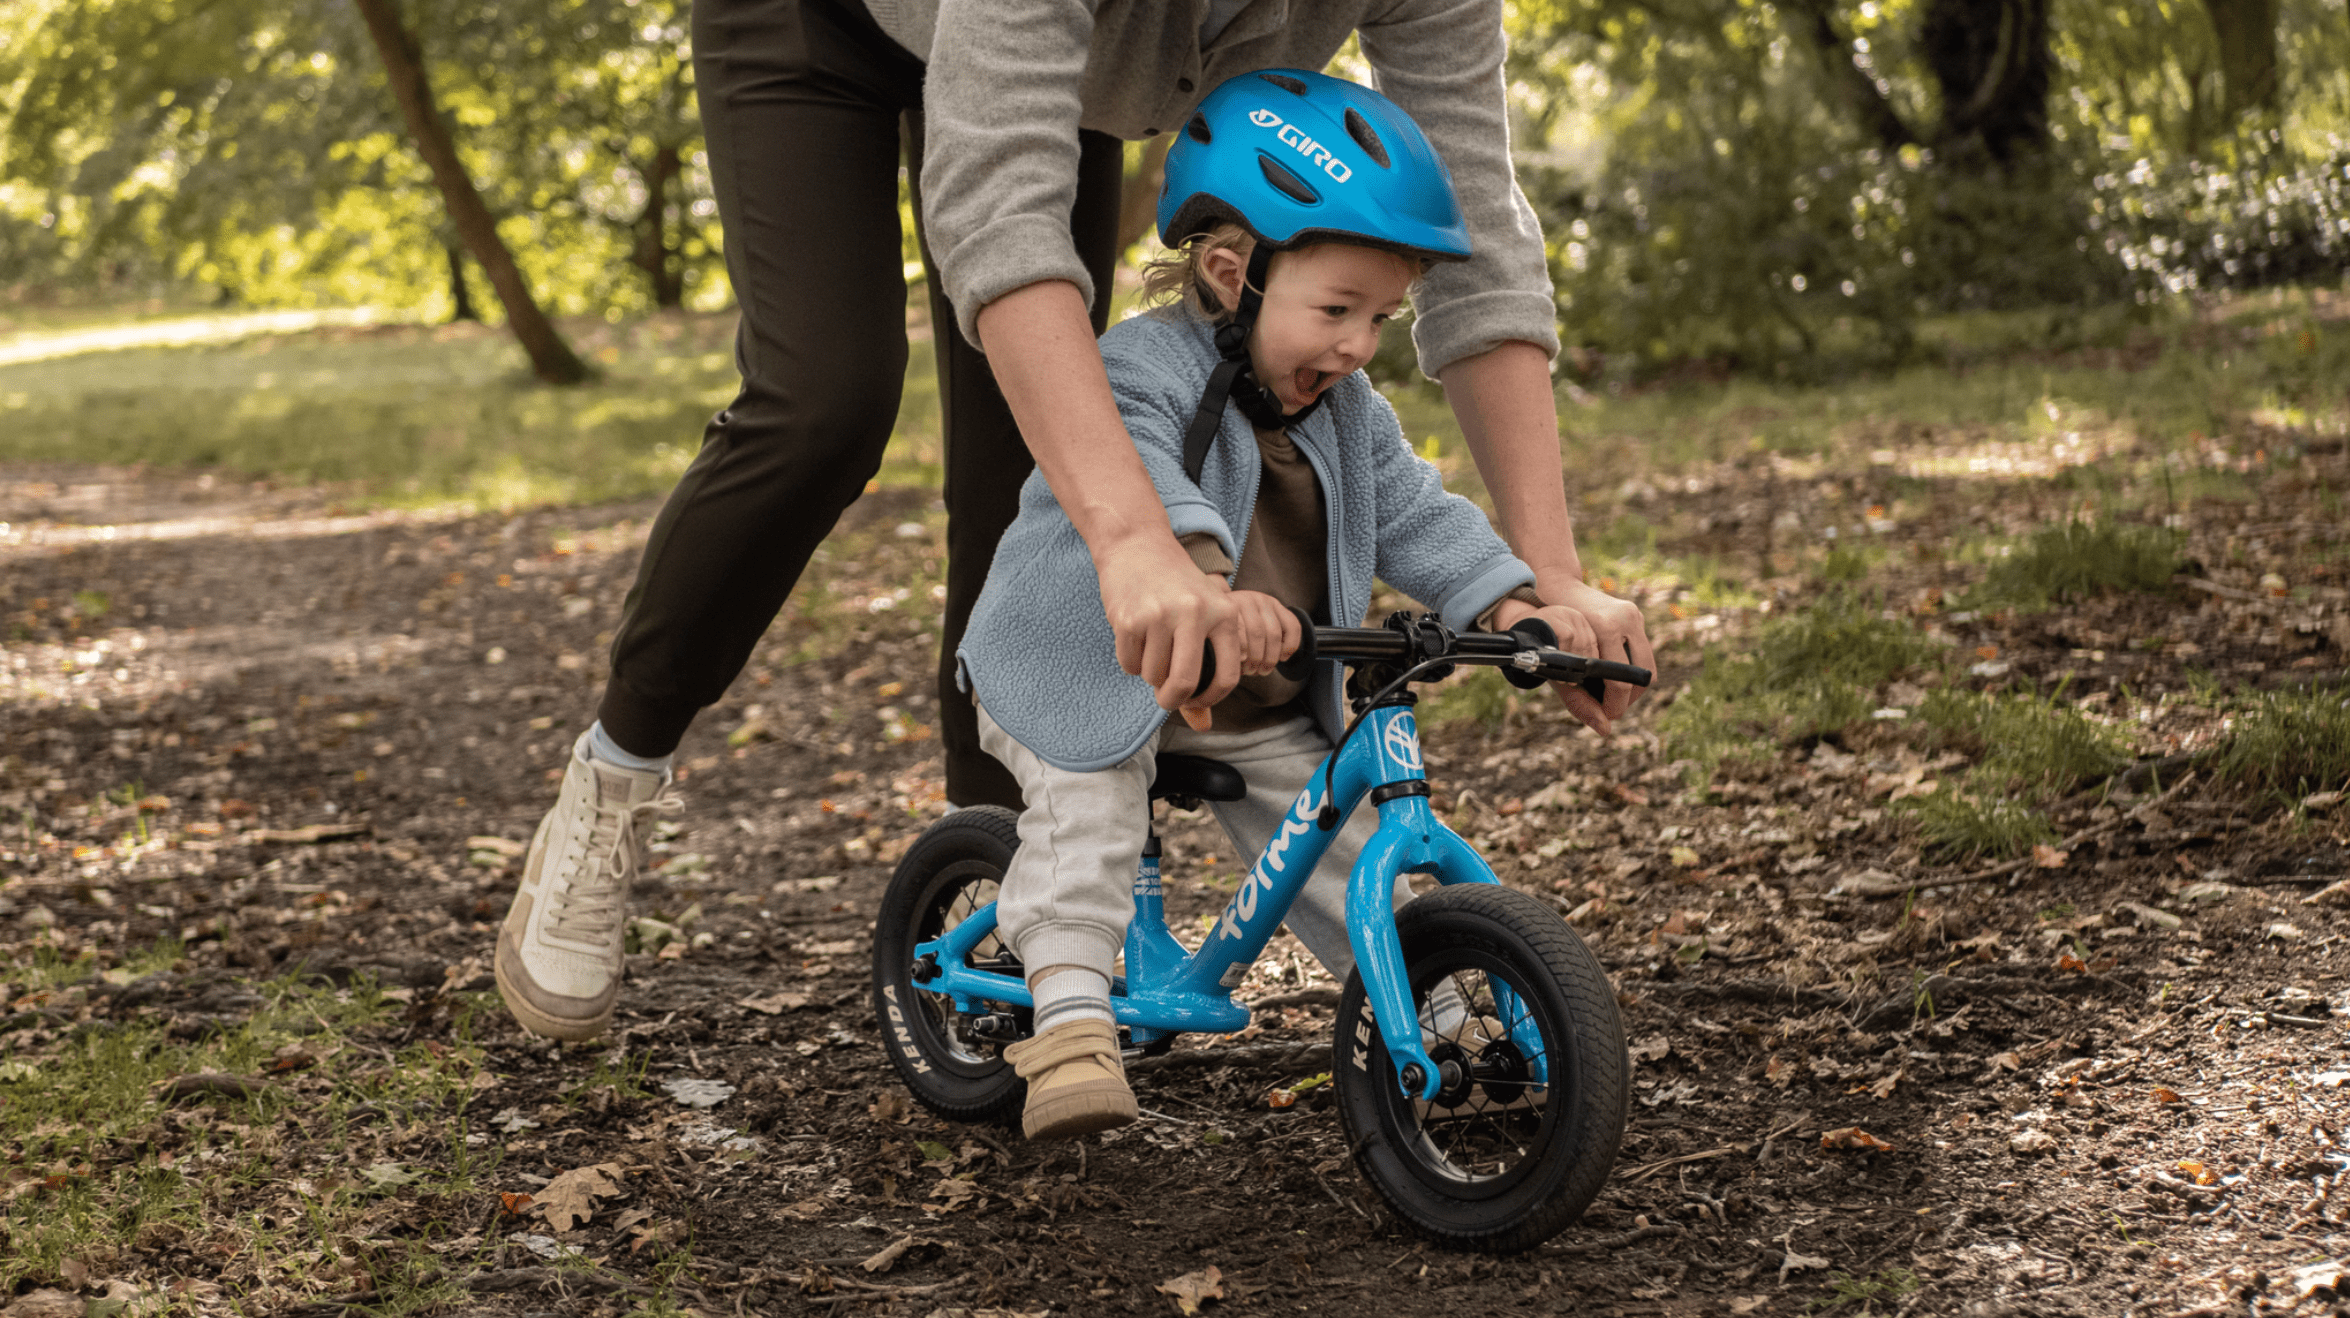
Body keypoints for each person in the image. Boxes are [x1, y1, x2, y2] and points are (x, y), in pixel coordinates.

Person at [494, 0, 1655, 1044]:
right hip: (819, 27)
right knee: (826, 406)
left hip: (1072, 61)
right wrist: (1142, 541)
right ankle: (614, 775)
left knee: (1035, 453)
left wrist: (1546, 574)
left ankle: (1007, 869)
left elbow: (1474, 231)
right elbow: (996, 208)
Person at [960, 69, 1615, 1141]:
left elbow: (1417, 512)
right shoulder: (1139, 365)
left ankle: (1436, 1003)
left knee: (1339, 830)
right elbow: (1140, 471)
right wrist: (1210, 582)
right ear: (1233, 274)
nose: (1358, 344)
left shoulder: (1345, 407)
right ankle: (1070, 1017)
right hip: (1090, 662)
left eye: (1381, 318)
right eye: (1335, 310)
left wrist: (1511, 604)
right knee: (1090, 810)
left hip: (1245, 688)